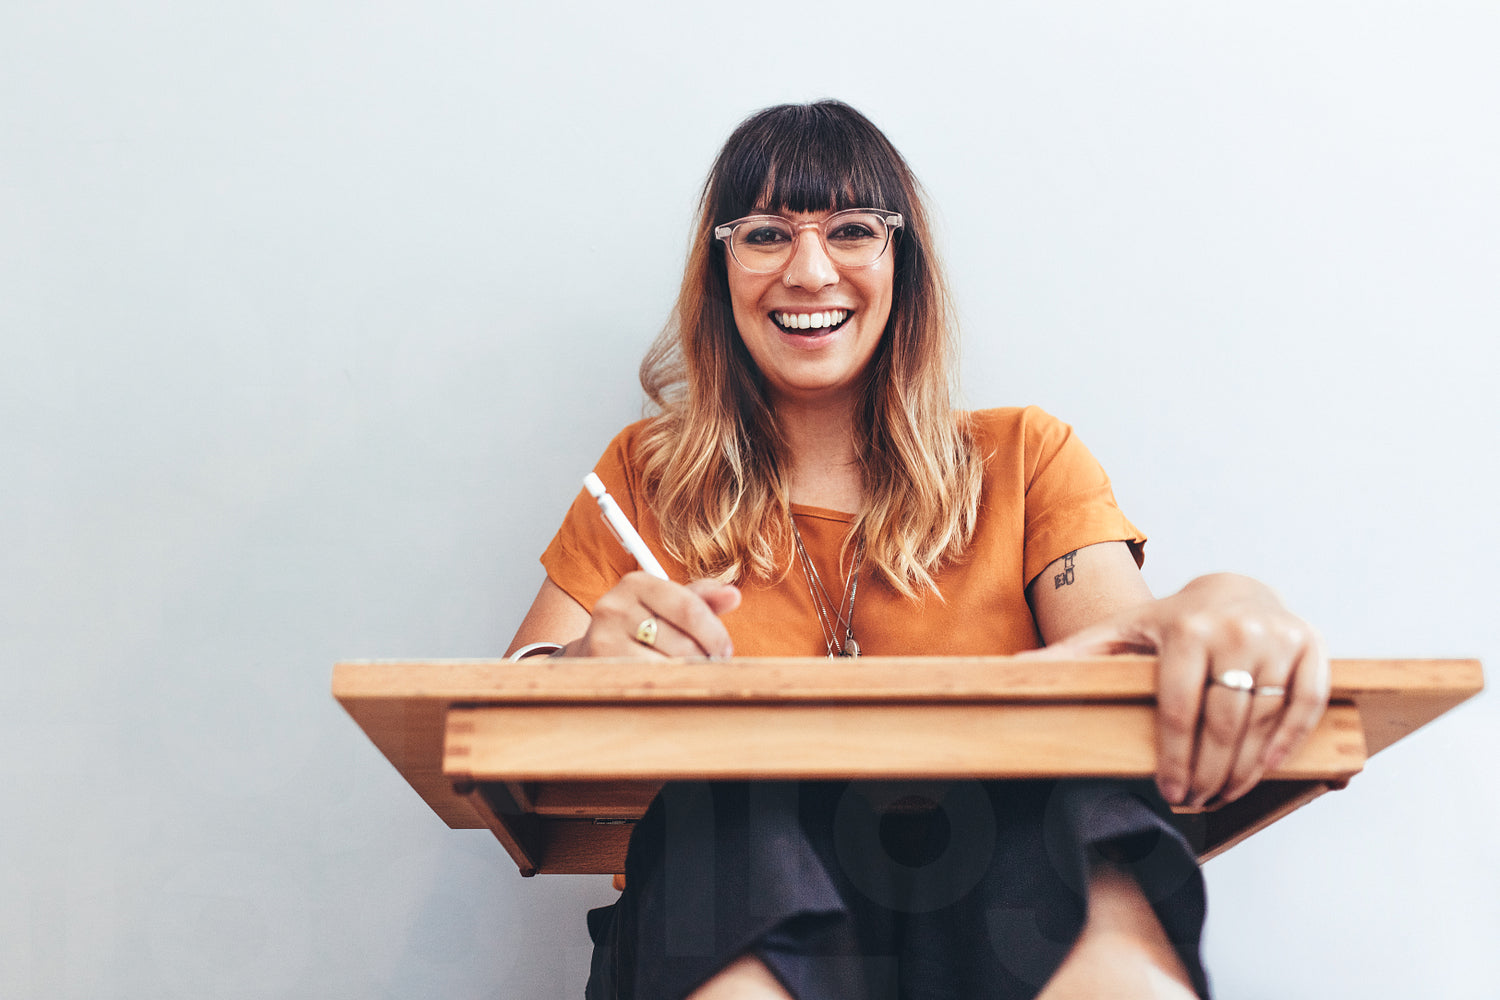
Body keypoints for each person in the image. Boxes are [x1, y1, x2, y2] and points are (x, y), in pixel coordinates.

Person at [506, 101, 1329, 1000]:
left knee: (1064, 802)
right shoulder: (645, 475)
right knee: (731, 802)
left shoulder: (1025, 458)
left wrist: (1226, 598)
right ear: (720, 269)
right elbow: (505, 722)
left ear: (903, 260)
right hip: (726, 910)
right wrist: (584, 667)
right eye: (766, 235)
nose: (809, 271)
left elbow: (1128, 667)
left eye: (853, 230)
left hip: (1000, 926)